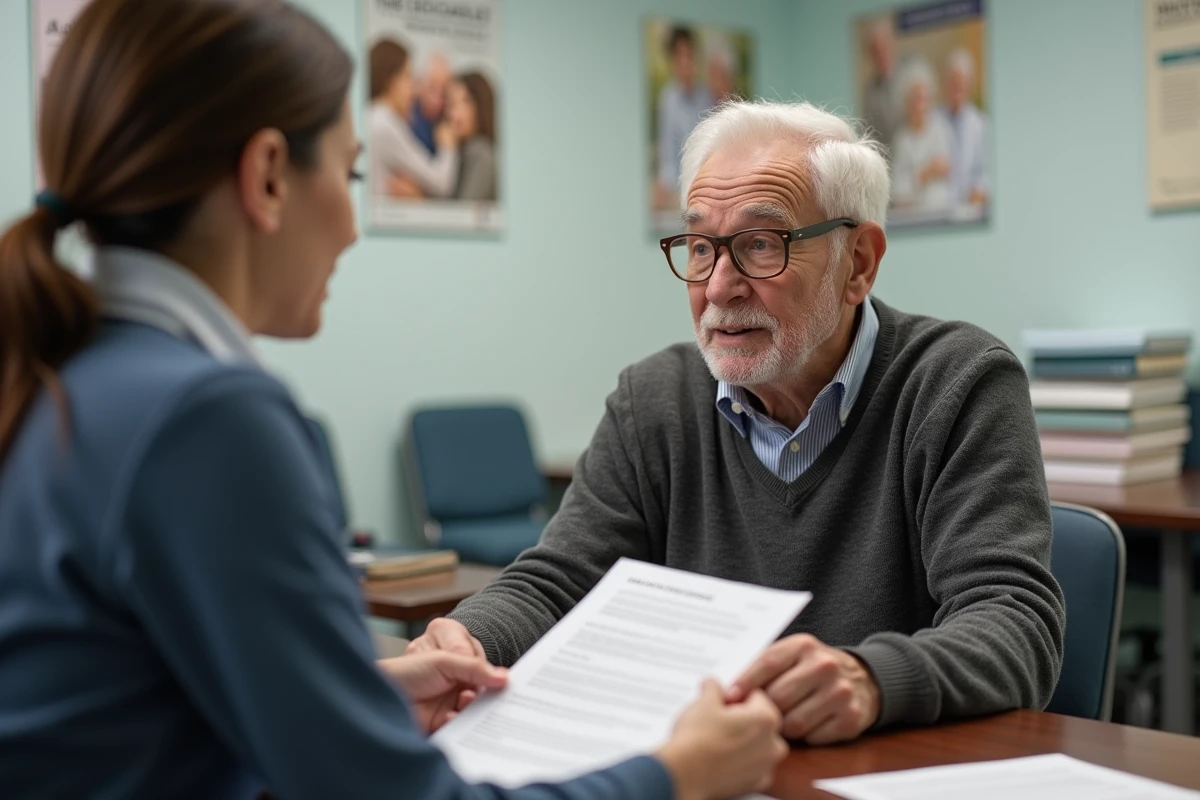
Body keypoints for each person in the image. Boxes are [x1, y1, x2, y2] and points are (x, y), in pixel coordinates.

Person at [0, 2, 788, 798]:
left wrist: (356, 702)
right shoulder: (204, 420)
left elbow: (137, 708)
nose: (351, 228)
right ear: (268, 175)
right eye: (347, 176)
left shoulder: (65, 373)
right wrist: (679, 774)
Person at [410, 99, 1066, 746]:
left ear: (858, 263)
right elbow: (557, 582)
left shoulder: (957, 383)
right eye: (700, 247)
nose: (719, 286)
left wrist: (870, 679)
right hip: (706, 769)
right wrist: (466, 642)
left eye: (759, 244)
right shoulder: (654, 400)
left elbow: (1013, 621)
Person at [368, 38, 458, 199]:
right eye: (408, 76)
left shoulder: (372, 117)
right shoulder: (384, 124)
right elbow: (440, 183)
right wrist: (448, 146)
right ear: (392, 80)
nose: (414, 89)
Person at [654, 26, 713, 210]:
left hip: (707, 183)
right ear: (673, 60)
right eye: (680, 55)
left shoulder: (707, 96)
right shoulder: (668, 100)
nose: (685, 61)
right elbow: (668, 155)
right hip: (678, 189)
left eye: (689, 54)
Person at [890, 58, 953, 212]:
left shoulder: (941, 129)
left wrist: (916, 177)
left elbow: (946, 168)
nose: (920, 104)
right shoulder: (901, 139)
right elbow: (898, 191)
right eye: (916, 98)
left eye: (924, 98)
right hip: (911, 215)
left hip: (941, 210)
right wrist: (925, 172)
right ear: (906, 102)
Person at [938, 47, 989, 208]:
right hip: (940, 205)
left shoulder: (981, 124)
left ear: (969, 85)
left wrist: (979, 189)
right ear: (946, 84)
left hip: (971, 207)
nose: (957, 87)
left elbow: (985, 170)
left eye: (962, 82)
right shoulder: (934, 120)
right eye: (953, 81)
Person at [447, 72, 498, 202]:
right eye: (451, 104)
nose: (455, 113)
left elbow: (464, 215)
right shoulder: (461, 152)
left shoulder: (481, 152)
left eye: (466, 102)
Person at [860, 21, 899, 154]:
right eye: (875, 50)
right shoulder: (869, 91)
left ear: (892, 45)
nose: (880, 54)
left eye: (883, 47)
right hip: (888, 161)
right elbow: (869, 133)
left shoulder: (909, 77)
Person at [411, 52, 452, 156]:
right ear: (419, 84)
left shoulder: (449, 122)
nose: (437, 99)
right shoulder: (406, 119)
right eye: (432, 88)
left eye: (444, 91)